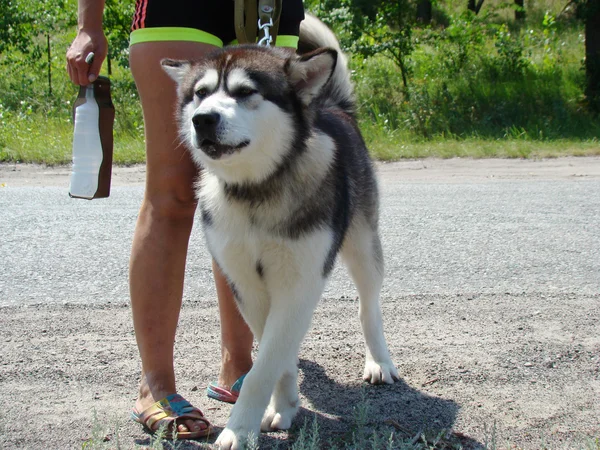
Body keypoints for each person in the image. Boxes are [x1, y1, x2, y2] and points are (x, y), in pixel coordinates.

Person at [66, 0, 305, 439]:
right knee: (173, 194)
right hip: (179, 7)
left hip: (270, 7)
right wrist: (90, 24)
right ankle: (155, 385)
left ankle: (240, 364)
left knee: (247, 192)